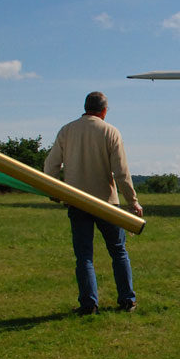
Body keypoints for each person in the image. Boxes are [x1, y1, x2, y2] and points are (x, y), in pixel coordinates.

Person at [44, 91, 143, 315]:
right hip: (107, 204)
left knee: (84, 256)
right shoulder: (110, 131)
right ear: (104, 111)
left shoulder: (67, 130)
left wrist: (52, 190)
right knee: (118, 252)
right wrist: (133, 202)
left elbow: (51, 165)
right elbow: (121, 172)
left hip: (76, 202)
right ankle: (127, 300)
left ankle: (89, 305)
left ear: (85, 107)